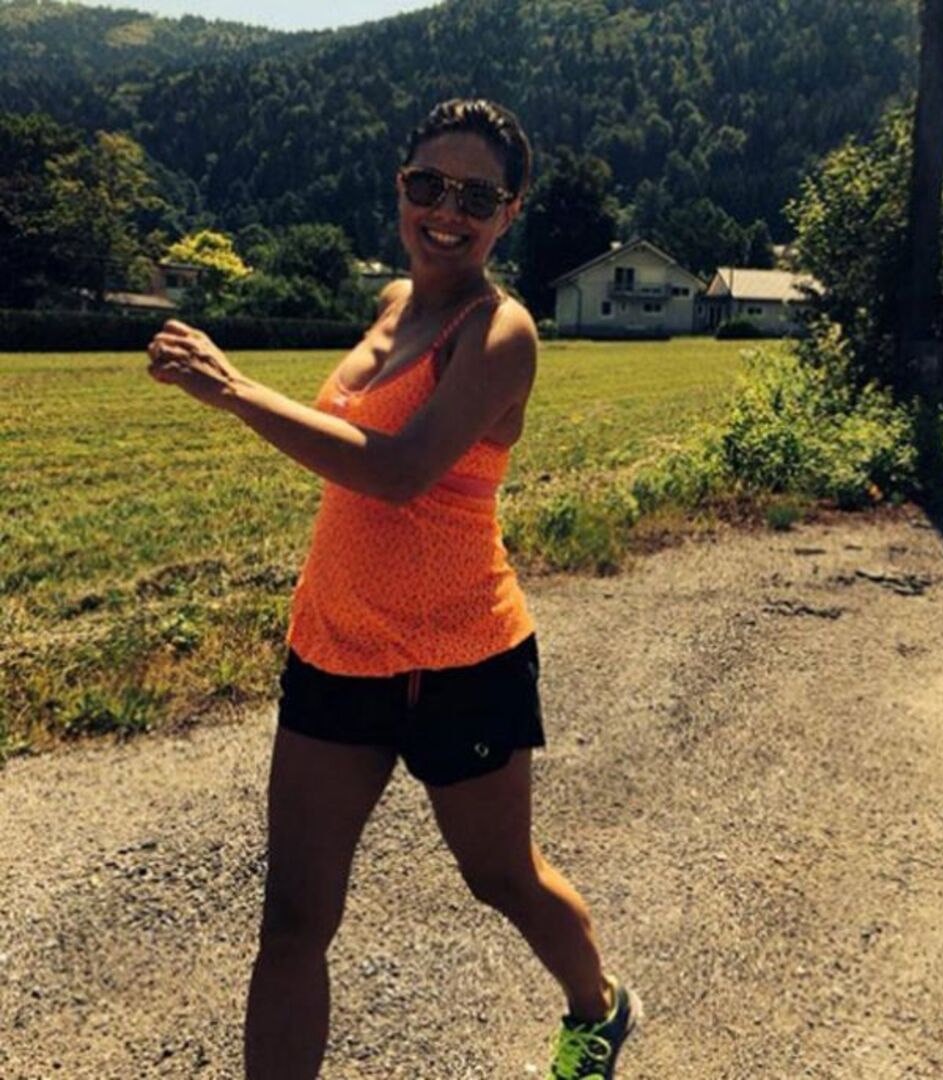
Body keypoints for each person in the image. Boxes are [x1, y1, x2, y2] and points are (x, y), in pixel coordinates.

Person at [147, 98, 642, 1080]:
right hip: (336, 646)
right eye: (428, 185)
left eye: (477, 197)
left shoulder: (501, 330)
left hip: (462, 659)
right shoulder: (389, 301)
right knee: (293, 919)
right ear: (400, 186)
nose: (446, 211)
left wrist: (235, 391)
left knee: (499, 876)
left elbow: (402, 469)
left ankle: (598, 1006)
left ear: (510, 212)